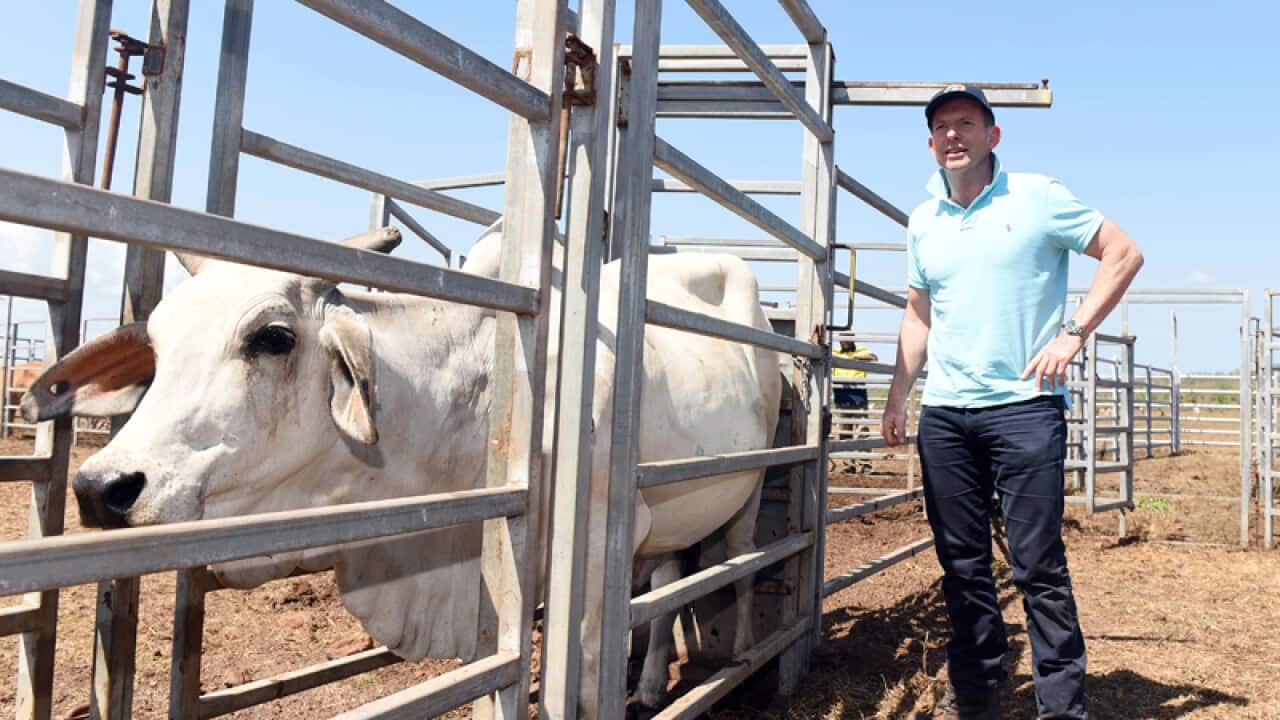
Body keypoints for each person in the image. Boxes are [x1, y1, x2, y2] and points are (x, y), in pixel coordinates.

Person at [880, 85, 1143, 720]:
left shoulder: (1038, 197)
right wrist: (898, 394)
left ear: (993, 135)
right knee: (962, 568)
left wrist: (1073, 334)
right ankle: (975, 696)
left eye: (966, 123)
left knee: (1037, 566)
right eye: (941, 127)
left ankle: (1061, 708)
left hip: (1025, 408)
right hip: (945, 414)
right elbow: (919, 312)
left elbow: (1124, 252)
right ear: (930, 141)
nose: (953, 135)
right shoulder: (924, 220)